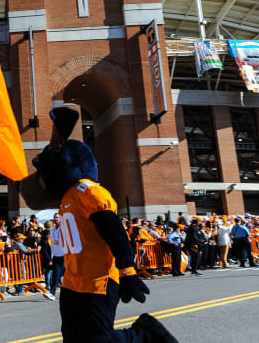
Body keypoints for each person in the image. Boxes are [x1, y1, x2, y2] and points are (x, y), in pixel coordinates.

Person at [21, 106, 177, 343]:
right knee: (73, 338)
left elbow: (113, 230)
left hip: (98, 282)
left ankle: (144, 334)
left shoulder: (89, 191)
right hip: (73, 282)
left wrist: (127, 271)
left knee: (98, 340)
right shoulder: (67, 199)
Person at [45, 213, 64, 301]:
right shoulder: (52, 230)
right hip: (56, 256)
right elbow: (52, 244)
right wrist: (52, 257)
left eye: (57, 217)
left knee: (63, 276)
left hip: (65, 256)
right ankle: (52, 293)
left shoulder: (64, 229)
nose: (56, 219)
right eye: (55, 217)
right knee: (56, 275)